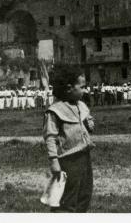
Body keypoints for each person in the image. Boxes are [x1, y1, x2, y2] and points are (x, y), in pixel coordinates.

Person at [43, 67, 95, 212]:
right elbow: (50, 137)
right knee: (67, 198)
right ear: (69, 88)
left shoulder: (81, 106)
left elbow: (85, 122)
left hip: (85, 157)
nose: (85, 90)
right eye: (82, 87)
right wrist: (54, 161)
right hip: (68, 161)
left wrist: (89, 124)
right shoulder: (55, 111)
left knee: (85, 194)